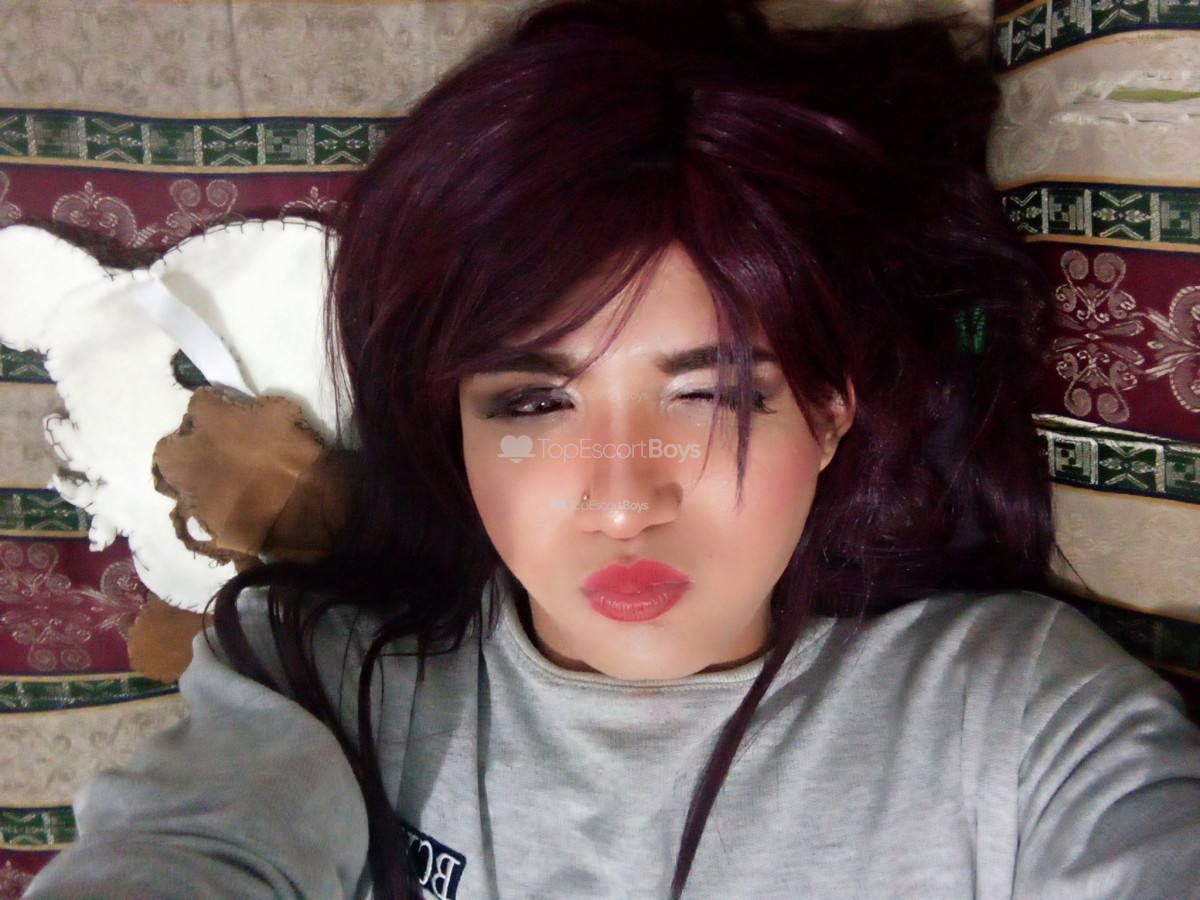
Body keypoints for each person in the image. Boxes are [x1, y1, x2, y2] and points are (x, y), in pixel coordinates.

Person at [24, 1, 1200, 898]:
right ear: (450, 425)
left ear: (833, 407)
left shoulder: (1022, 722)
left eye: (713, 395)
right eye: (534, 403)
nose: (624, 501)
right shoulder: (323, 681)